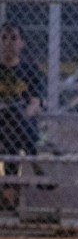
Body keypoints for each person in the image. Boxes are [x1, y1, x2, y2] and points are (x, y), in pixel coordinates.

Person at [0, 22, 47, 210]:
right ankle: (35, 163)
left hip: (20, 123)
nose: (8, 43)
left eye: (13, 38)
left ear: (22, 43)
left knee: (13, 126)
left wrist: (22, 114)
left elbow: (35, 103)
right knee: (11, 116)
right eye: (3, 38)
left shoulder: (30, 69)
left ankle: (8, 194)